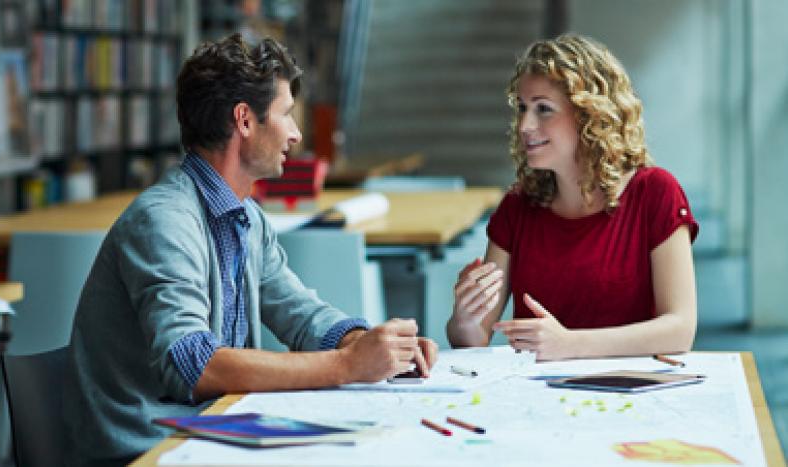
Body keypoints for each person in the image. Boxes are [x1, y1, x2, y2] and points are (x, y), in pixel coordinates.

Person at [62, 34, 437, 466]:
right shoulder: (164, 220)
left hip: (211, 429)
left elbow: (300, 313)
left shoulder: (248, 218)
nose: (296, 133)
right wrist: (348, 364)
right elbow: (193, 365)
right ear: (244, 120)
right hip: (147, 447)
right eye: (286, 114)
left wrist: (374, 347)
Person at [446, 34, 698, 361]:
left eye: (543, 109)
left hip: (631, 394)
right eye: (522, 108)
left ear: (588, 115)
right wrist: (464, 318)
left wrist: (570, 344)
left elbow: (680, 329)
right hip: (538, 398)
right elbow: (474, 338)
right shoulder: (517, 207)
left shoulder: (656, 193)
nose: (525, 125)